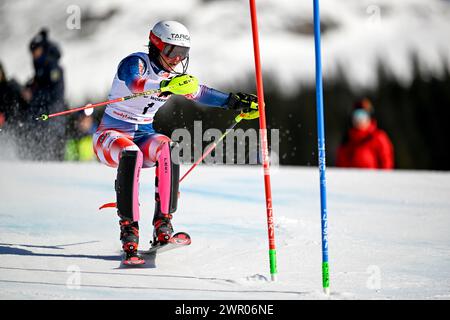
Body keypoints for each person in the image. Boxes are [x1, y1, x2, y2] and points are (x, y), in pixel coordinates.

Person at [93, 20, 259, 263]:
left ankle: (163, 225)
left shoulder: (172, 76)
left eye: (183, 54)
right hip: (110, 136)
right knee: (131, 153)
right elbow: (135, 83)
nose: (177, 59)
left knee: (168, 148)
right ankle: (129, 229)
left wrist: (234, 102)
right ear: (156, 46)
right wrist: (164, 85)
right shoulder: (136, 62)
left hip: (144, 134)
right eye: (172, 51)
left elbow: (201, 93)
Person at [22, 28, 66, 161]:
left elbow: (56, 93)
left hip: (52, 114)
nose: (34, 54)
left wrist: (33, 95)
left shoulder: (52, 67)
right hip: (41, 113)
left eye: (36, 50)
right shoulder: (40, 67)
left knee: (50, 151)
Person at [336, 98, 394, 169]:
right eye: (356, 116)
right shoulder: (347, 138)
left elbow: (386, 162)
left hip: (374, 178)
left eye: (363, 116)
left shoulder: (379, 137)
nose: (359, 120)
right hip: (351, 178)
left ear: (369, 117)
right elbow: (341, 163)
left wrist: (383, 178)